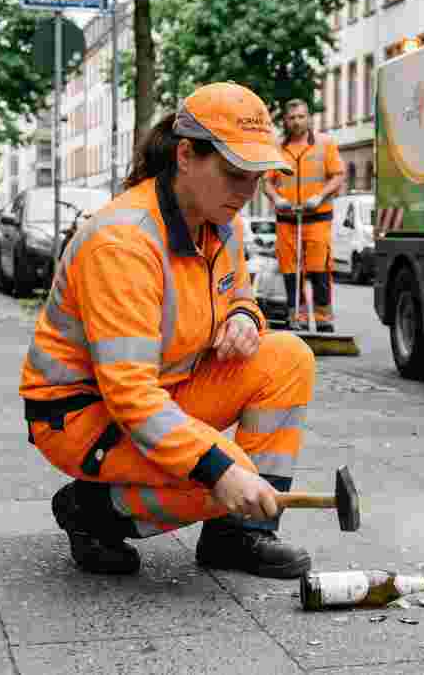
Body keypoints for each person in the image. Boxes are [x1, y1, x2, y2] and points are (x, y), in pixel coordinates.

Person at [20, 82, 317, 579]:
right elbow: (129, 392)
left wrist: (245, 317)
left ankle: (238, 534)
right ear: (185, 155)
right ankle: (89, 511)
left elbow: (238, 293)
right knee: (219, 471)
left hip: (163, 390)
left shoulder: (221, 222)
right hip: (83, 416)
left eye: (257, 176)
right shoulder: (124, 242)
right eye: (234, 174)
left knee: (288, 356)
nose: (247, 192)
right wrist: (219, 471)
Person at [263, 99, 345, 332]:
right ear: (286, 121)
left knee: (319, 268)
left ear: (308, 118)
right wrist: (276, 198)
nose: (297, 122)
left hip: (317, 217)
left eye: (301, 117)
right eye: (292, 118)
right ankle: (295, 319)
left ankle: (323, 320)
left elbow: (338, 175)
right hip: (286, 219)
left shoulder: (324, 144)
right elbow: (266, 182)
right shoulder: (276, 148)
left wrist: (320, 196)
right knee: (290, 271)